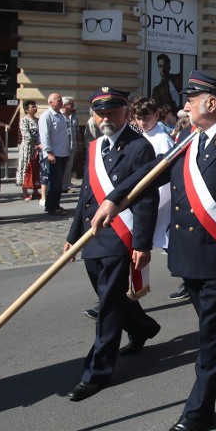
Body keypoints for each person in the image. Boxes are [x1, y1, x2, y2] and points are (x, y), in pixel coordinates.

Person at [91, 71, 216, 431]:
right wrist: (114, 198)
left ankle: (197, 413)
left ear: (210, 102)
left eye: (190, 99)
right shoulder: (190, 139)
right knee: (215, 318)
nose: (184, 105)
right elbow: (149, 175)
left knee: (210, 335)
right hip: (188, 253)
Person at [63, 87, 161, 402]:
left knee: (107, 305)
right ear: (93, 115)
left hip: (121, 236)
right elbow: (86, 196)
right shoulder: (93, 148)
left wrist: (142, 244)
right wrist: (72, 236)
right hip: (94, 235)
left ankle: (97, 371)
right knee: (110, 296)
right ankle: (143, 326)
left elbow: (147, 198)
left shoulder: (139, 147)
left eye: (112, 111)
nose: (106, 117)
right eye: (100, 112)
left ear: (125, 113)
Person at [131, 96, 185, 300]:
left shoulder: (162, 140)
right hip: (146, 199)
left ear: (155, 116)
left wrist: (156, 204)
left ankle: (189, 279)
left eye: (146, 117)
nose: (142, 122)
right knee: (163, 242)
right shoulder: (141, 138)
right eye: (138, 118)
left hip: (162, 199)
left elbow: (165, 176)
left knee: (169, 242)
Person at [38, 92, 70, 215]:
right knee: (54, 181)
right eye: (58, 100)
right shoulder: (46, 116)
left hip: (63, 152)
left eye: (61, 100)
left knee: (59, 182)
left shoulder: (61, 115)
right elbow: (44, 135)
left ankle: (56, 204)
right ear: (50, 102)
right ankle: (51, 206)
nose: (61, 102)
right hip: (53, 153)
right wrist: (49, 152)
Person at [16, 100, 42, 200]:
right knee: (26, 168)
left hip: (38, 148)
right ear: (27, 110)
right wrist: (35, 144)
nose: (35, 108)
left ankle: (35, 190)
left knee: (36, 168)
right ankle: (25, 192)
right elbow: (26, 135)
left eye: (35, 106)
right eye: (32, 107)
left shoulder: (38, 120)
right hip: (27, 148)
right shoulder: (24, 120)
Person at [61, 96, 80, 191]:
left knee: (69, 165)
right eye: (71, 104)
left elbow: (77, 130)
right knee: (63, 166)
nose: (73, 105)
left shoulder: (74, 116)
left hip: (73, 144)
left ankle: (67, 183)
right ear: (65, 105)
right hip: (63, 145)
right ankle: (63, 185)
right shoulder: (60, 115)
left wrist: (79, 142)